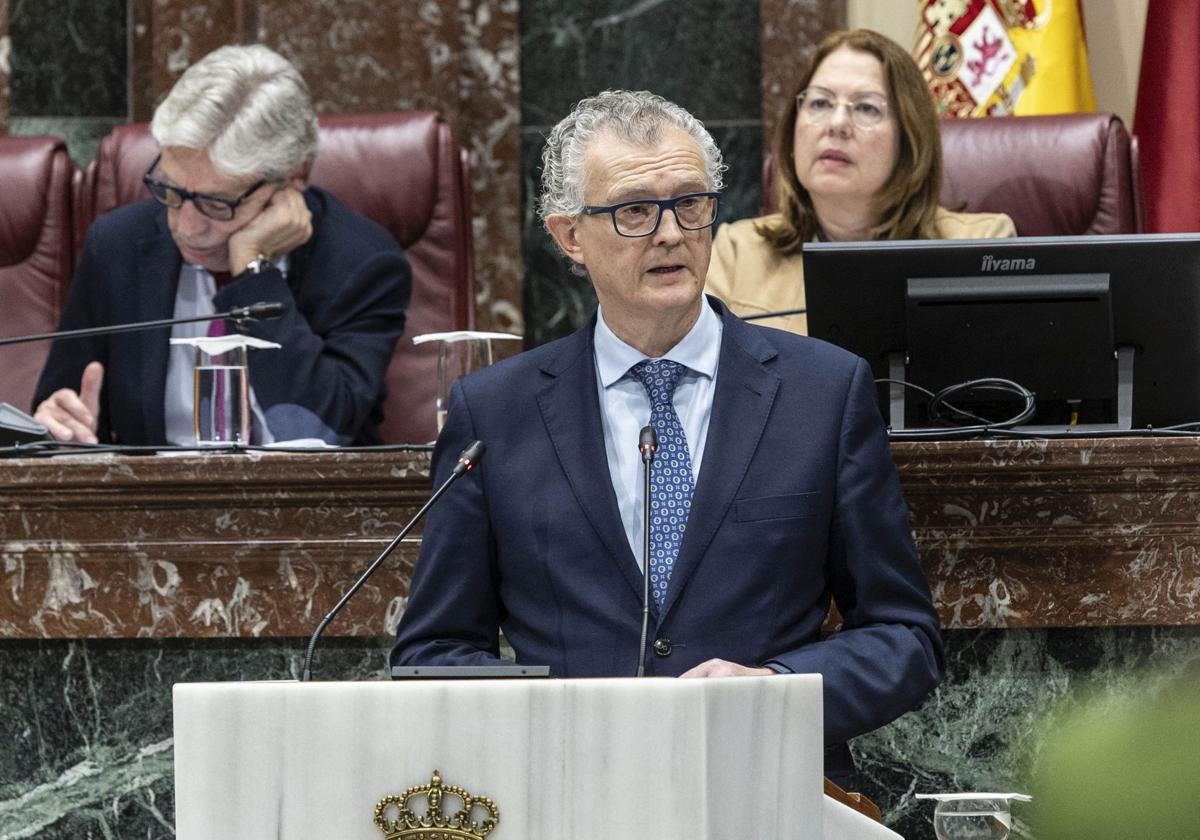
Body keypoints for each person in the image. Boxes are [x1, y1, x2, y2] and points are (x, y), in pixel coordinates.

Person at [392, 89, 943, 786]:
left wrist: (775, 689)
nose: (670, 233)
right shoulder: (494, 414)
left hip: (768, 794)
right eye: (632, 211)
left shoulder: (822, 393)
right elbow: (432, 654)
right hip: (572, 798)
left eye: (690, 202)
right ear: (569, 237)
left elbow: (905, 639)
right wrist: (562, 713)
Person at [33, 44, 411, 446]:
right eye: (172, 190)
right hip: (151, 503)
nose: (187, 225)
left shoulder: (364, 264)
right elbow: (58, 413)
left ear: (292, 176)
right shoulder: (117, 247)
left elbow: (321, 431)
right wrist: (56, 424)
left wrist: (253, 274)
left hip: (305, 506)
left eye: (217, 203)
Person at [706, 29, 1015, 335]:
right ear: (792, 134)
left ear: (909, 143)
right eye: (820, 103)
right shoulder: (738, 251)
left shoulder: (979, 248)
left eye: (867, 108)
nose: (837, 124)